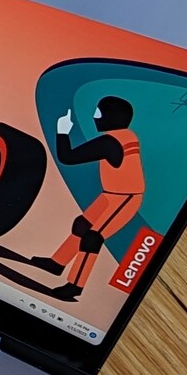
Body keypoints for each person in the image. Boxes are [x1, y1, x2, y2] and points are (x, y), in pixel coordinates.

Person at [32, 93, 144, 299]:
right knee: (81, 225)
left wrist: (62, 131)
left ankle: (75, 286)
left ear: (111, 117)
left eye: (99, 113)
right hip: (111, 194)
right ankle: (57, 263)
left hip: (125, 198)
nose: (94, 117)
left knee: (93, 237)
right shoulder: (125, 136)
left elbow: (68, 157)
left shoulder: (111, 142)